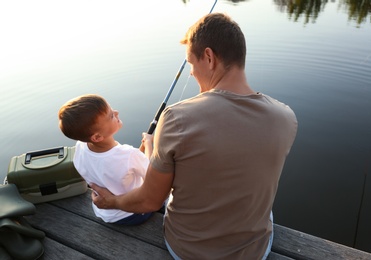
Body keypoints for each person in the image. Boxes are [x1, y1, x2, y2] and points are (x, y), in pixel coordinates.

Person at [90, 13, 298, 259]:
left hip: (187, 251)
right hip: (256, 252)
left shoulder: (177, 118)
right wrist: (158, 148)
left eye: (191, 65)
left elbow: (149, 202)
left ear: (209, 58)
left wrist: (110, 202)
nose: (191, 75)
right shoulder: (286, 117)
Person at [58, 94, 153, 225]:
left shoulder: (80, 147)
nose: (116, 112)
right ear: (97, 137)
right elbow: (153, 177)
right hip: (131, 214)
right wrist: (148, 143)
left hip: (104, 212)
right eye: (111, 116)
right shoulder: (129, 154)